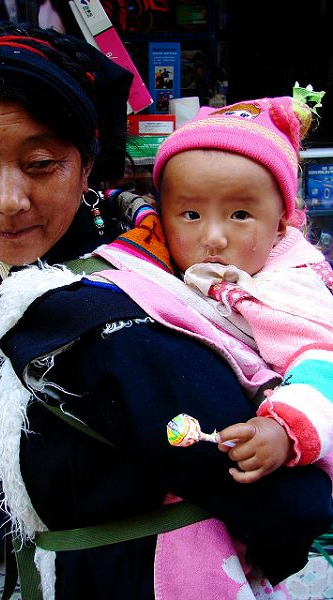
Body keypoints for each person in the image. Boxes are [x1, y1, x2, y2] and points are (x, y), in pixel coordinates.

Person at [0, 23, 332, 599]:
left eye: (41, 163)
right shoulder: (30, 302)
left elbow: (294, 507)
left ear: (87, 165)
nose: (8, 200)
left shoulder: (112, 327)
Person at [98, 93, 333, 486]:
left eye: (240, 215)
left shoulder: (285, 290)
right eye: (190, 214)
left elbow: (323, 364)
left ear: (279, 225)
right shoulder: (178, 266)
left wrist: (284, 429)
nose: (213, 238)